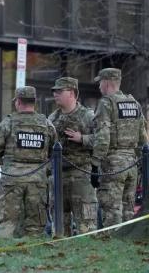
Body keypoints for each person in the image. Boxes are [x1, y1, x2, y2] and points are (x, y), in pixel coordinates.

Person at [0, 86, 57, 239]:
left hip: (12, 180)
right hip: (38, 181)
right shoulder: (46, 124)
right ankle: (32, 259)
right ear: (34, 103)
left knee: (6, 225)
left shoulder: (7, 124)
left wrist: (3, 161)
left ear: (18, 102)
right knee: (34, 227)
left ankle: (3, 257)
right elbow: (55, 151)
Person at [89, 68, 148, 227]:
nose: (99, 86)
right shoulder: (134, 103)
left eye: (100, 82)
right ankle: (125, 246)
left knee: (111, 210)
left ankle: (110, 245)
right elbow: (143, 136)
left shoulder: (106, 103)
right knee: (128, 210)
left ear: (106, 82)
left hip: (113, 164)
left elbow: (103, 137)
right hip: (131, 164)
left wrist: (94, 164)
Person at [48, 77, 97, 235]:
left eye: (59, 91)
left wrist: (82, 138)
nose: (55, 94)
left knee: (86, 223)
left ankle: (88, 255)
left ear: (72, 93)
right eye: (54, 91)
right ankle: (60, 255)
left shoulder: (88, 116)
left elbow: (103, 140)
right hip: (58, 176)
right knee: (59, 224)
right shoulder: (52, 119)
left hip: (81, 176)